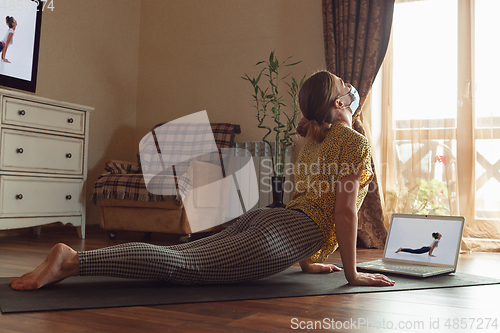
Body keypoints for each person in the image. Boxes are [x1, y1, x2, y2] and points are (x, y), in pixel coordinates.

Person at [9, 71, 395, 291]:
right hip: (285, 232)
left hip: (273, 221)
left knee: (186, 256)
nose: (351, 87)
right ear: (341, 104)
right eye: (346, 85)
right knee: (186, 265)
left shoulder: (315, 138)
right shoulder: (353, 142)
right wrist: (352, 272)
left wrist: (309, 262)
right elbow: (342, 214)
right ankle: (72, 261)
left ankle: (73, 261)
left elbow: (307, 199)